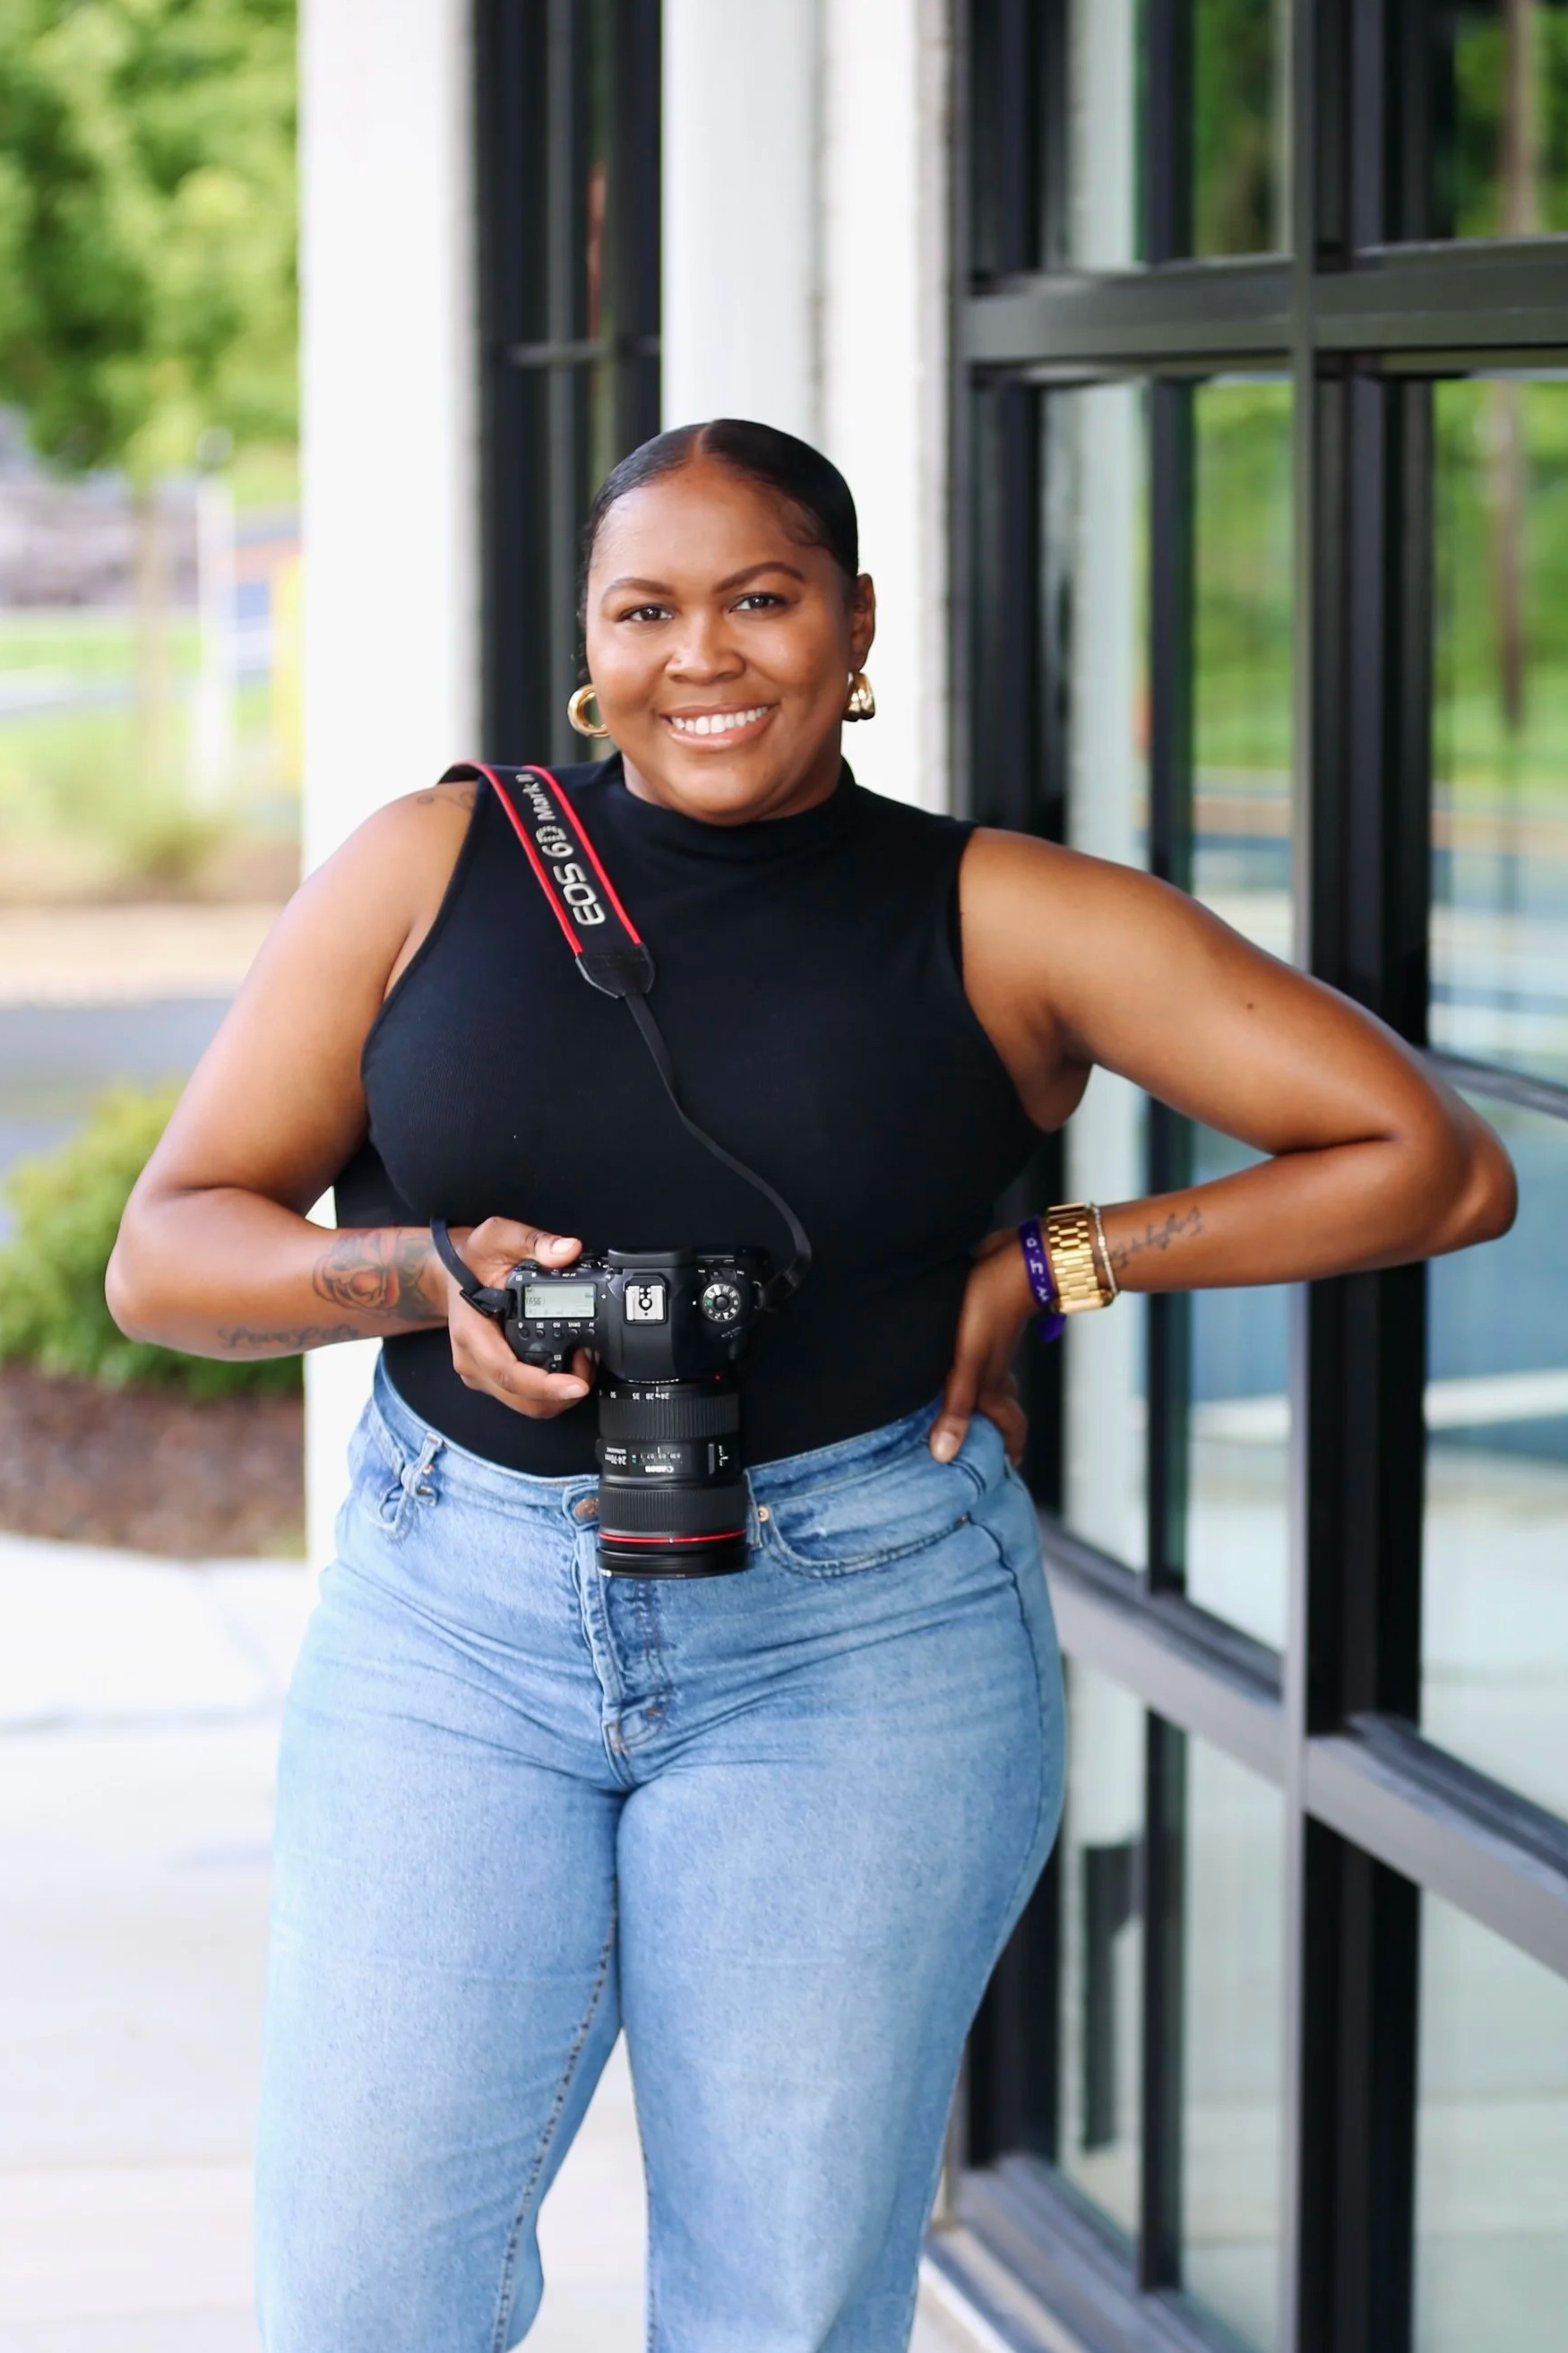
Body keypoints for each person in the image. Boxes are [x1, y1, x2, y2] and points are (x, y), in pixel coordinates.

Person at [106, 418, 1515, 2353]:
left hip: (856, 1639)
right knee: (362, 2290)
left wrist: (1048, 1263)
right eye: (647, 608)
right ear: (589, 651)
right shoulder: (431, 861)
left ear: (854, 625)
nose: (703, 655)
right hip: (455, 1625)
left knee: (779, 2303)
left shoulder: (997, 910)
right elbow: (170, 1247)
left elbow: (1426, 1158)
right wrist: (419, 1277)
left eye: (759, 598)